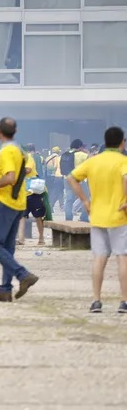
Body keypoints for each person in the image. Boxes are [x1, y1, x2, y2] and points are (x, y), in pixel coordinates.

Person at [67, 127, 127, 314]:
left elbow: (71, 178)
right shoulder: (123, 161)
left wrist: (85, 201)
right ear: (122, 142)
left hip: (97, 216)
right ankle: (124, 301)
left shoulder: (93, 161)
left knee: (99, 258)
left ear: (105, 141)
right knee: (122, 257)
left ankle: (96, 300)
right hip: (119, 217)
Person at [0, 117, 40, 303]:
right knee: (7, 248)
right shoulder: (19, 150)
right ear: (15, 132)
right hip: (19, 202)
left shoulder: (7, 150)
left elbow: (10, 178)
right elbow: (18, 174)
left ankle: (23, 275)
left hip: (6, 202)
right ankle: (5, 290)